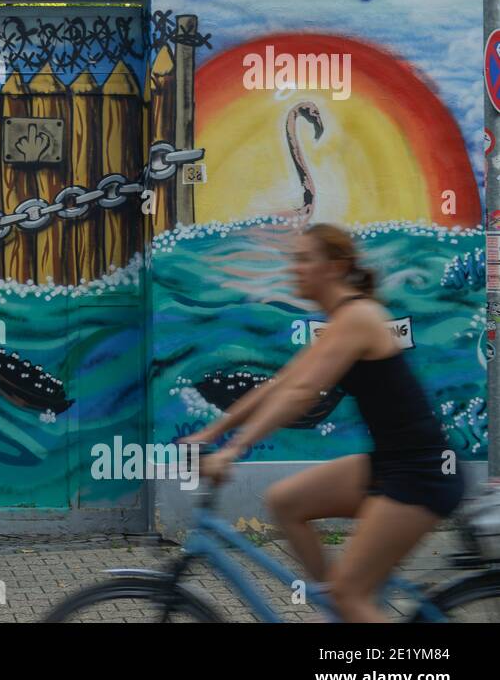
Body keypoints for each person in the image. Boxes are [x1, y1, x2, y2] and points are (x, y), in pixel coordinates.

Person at [183, 223, 464, 622]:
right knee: (286, 501)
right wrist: (210, 433)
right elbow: (283, 383)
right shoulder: (341, 322)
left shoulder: (360, 317)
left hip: (422, 474)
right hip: (391, 464)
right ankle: (339, 609)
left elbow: (301, 395)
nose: (293, 268)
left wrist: (231, 450)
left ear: (334, 267)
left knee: (352, 595)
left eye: (303, 259)